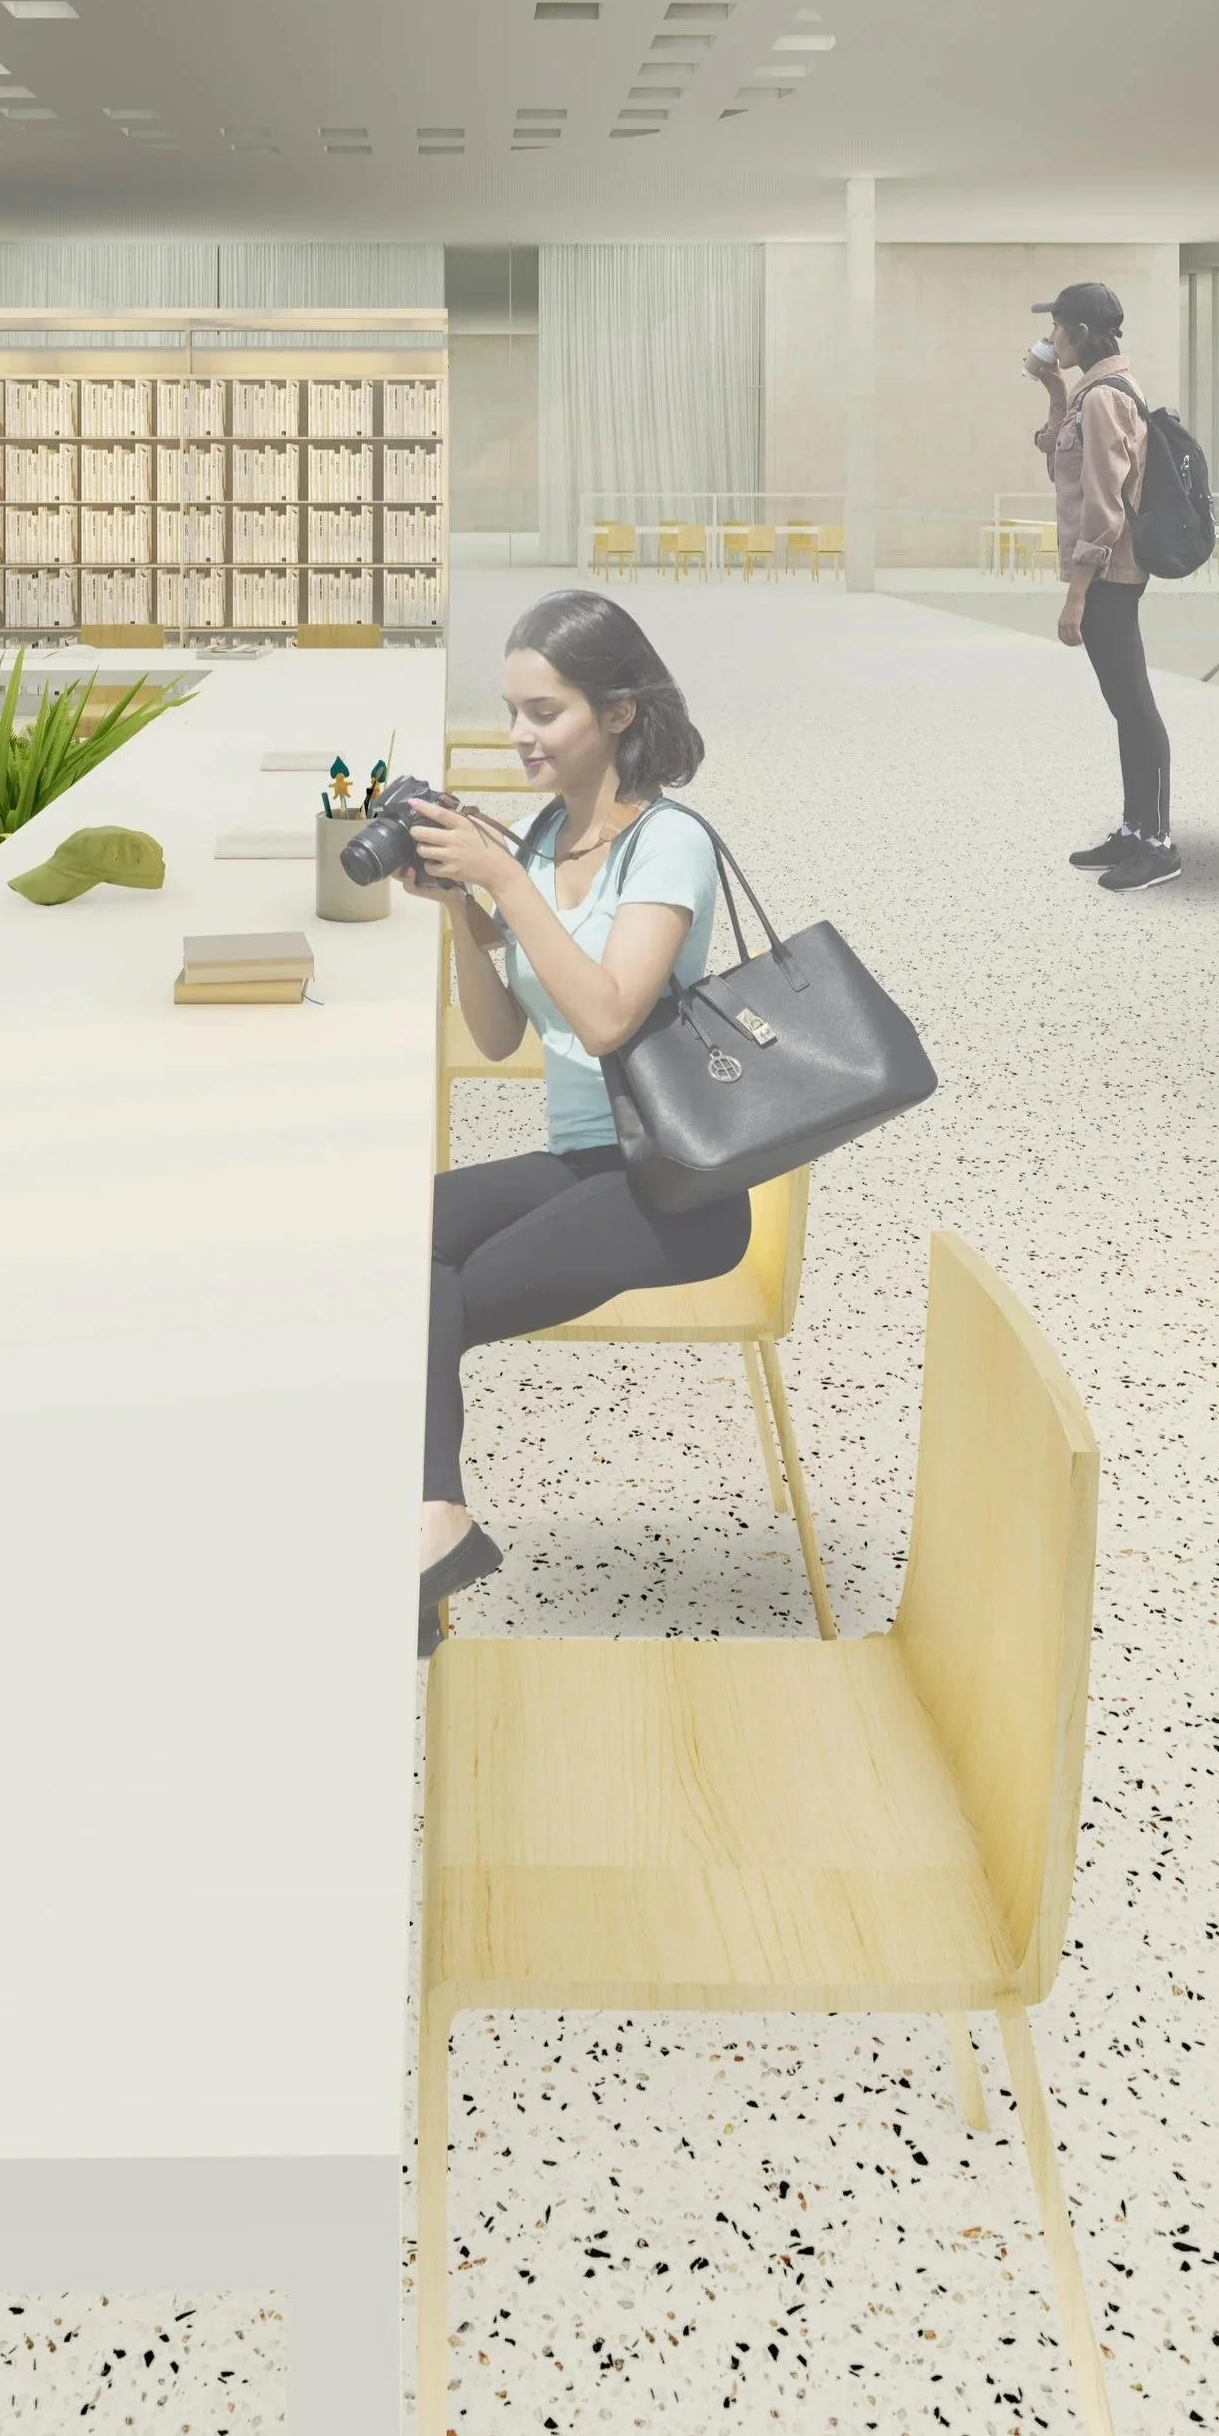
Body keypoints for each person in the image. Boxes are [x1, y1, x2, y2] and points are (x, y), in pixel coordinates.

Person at [406, 589, 748, 1653]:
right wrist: (464, 915)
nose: (518, 735)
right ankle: (430, 1528)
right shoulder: (548, 835)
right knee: (388, 1254)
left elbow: (605, 1016)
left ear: (619, 713)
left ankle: (425, 1527)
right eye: (511, 711)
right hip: (579, 1163)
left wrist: (504, 880)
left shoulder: (668, 844)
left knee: (427, 1296)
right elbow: (502, 1033)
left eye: (543, 711)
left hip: (674, 1187)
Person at [1028, 281, 1178, 891]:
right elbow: (1060, 463)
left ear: (1083, 333)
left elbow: (1102, 504)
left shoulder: (1105, 399)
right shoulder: (1089, 393)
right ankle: (1134, 828)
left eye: (1058, 326)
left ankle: (1158, 844)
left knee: (1135, 707)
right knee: (1123, 705)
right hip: (1106, 572)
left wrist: (1077, 594)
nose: (1050, 337)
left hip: (1109, 573)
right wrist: (1053, 389)